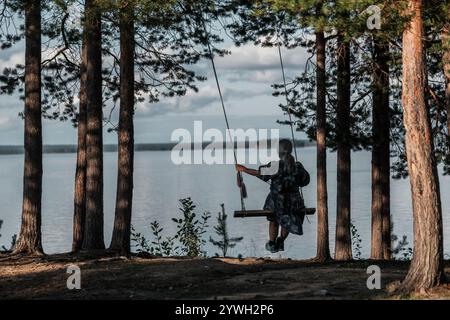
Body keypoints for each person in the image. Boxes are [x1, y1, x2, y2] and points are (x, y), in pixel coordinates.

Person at [236, 139, 310, 253]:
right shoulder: (298, 166)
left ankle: (271, 243)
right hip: (295, 203)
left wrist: (244, 169)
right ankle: (280, 241)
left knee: (274, 218)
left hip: (278, 203)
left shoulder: (275, 166)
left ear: (279, 152)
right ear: (290, 150)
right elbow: (305, 181)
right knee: (288, 219)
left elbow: (260, 173)